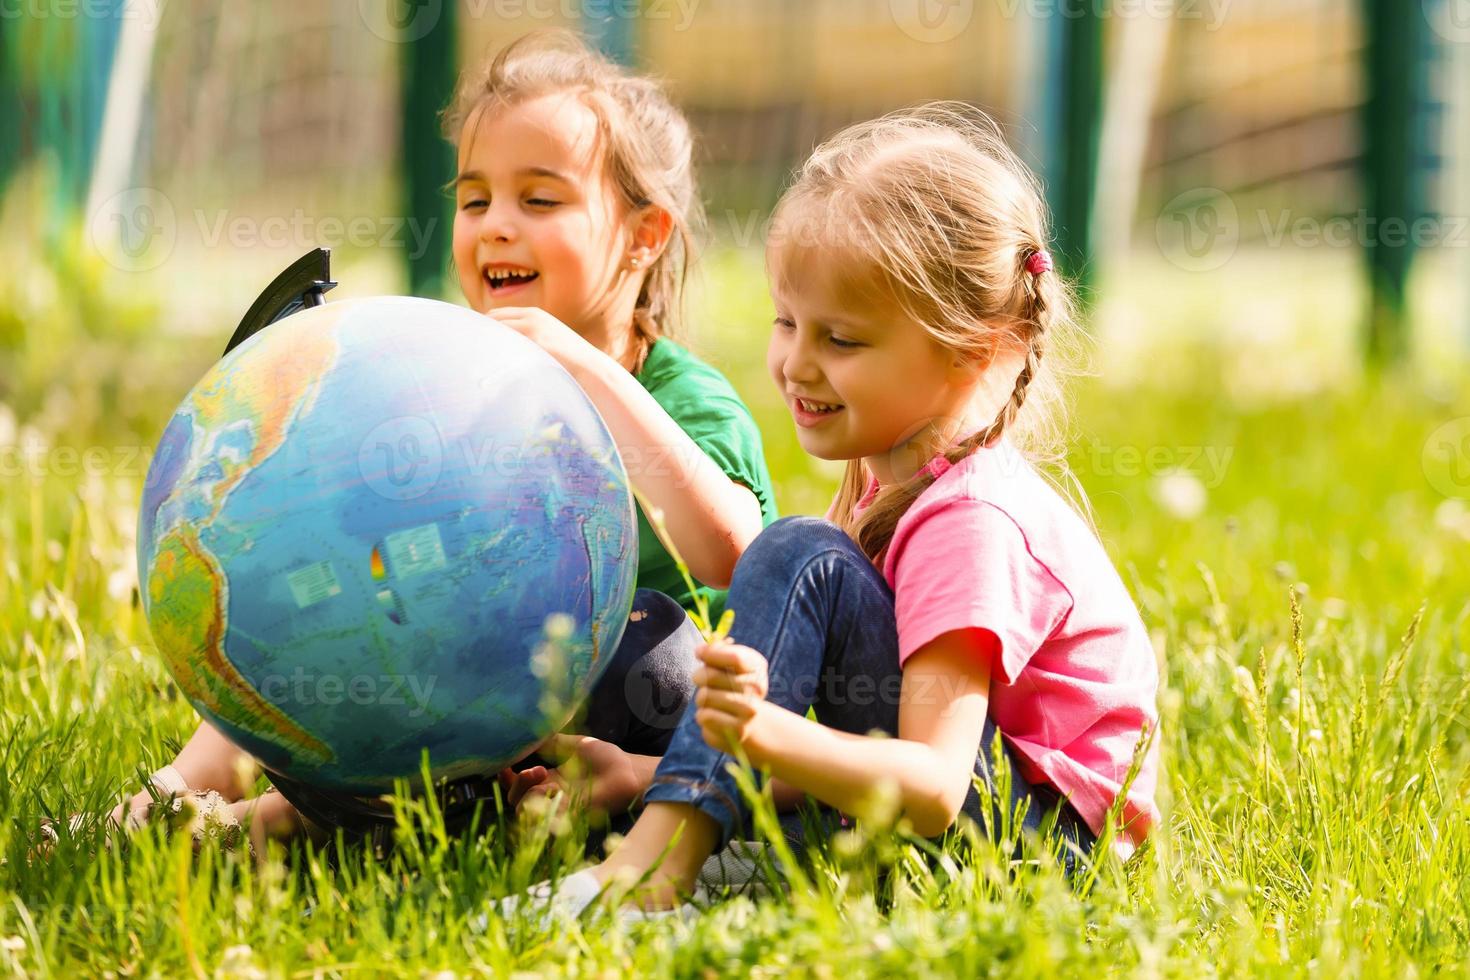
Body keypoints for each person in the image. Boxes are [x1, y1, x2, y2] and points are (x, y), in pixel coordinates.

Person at [100, 30, 779, 853]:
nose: (496, 226)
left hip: (622, 720)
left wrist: (584, 372)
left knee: (654, 633)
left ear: (644, 236)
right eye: (474, 199)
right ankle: (172, 795)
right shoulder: (457, 394)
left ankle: (262, 827)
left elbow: (734, 553)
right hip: (464, 688)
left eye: (539, 200)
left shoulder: (685, 398)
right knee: (325, 634)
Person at [500, 102, 1162, 922]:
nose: (795, 364)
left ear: (973, 351)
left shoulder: (971, 519)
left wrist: (760, 733)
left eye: (842, 340)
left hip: (1036, 860)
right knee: (798, 556)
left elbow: (930, 787)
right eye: (786, 322)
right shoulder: (881, 476)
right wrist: (644, 772)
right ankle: (682, 847)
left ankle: (651, 877)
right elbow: (873, 754)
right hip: (975, 829)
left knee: (798, 552)